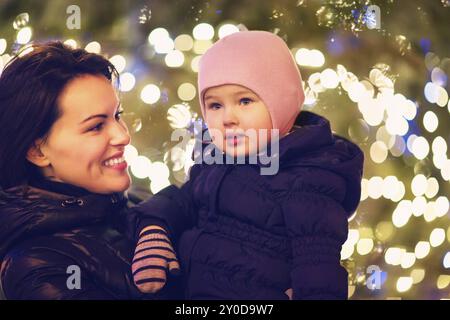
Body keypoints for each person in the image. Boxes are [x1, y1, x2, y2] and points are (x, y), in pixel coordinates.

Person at [130, 31, 365, 300]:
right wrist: (153, 228)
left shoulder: (309, 179)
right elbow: (182, 201)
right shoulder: (215, 160)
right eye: (215, 105)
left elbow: (318, 272)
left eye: (244, 101)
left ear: (281, 101)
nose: (228, 118)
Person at [0, 42, 181, 299]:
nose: (123, 136)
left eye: (117, 115)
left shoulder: (137, 204)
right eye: (96, 127)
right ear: (37, 152)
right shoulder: (38, 267)